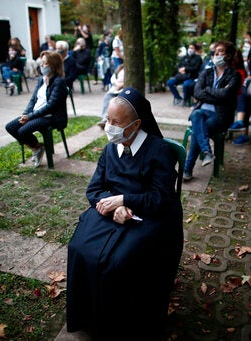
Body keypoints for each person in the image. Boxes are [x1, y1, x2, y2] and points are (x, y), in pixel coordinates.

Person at [66, 87, 183, 340]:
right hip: (111, 211)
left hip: (150, 216)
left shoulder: (159, 151)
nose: (109, 127)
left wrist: (126, 200)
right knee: (78, 247)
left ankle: (120, 325)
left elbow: (162, 198)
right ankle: (87, 315)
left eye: (116, 122)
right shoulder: (110, 149)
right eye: (108, 120)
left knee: (118, 261)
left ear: (136, 124)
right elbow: (94, 190)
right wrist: (116, 206)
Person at [182, 41, 242, 181]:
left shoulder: (234, 76)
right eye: (215, 51)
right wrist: (218, 93)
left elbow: (226, 95)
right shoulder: (207, 72)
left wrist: (208, 90)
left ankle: (187, 169)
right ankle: (206, 152)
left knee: (198, 129)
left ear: (228, 55)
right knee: (196, 115)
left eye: (220, 51)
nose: (216, 54)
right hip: (201, 112)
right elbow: (197, 93)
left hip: (221, 115)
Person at [5, 51, 68, 168]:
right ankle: (37, 148)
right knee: (10, 127)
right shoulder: (41, 79)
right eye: (42, 63)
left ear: (53, 66)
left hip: (51, 117)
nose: (42, 66)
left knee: (22, 131)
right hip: (35, 114)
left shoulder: (59, 82)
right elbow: (33, 99)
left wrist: (30, 117)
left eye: (45, 64)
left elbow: (50, 107)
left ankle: (37, 149)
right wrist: (25, 114)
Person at [166, 42, 203, 107]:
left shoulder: (198, 58)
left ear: (195, 50)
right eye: (189, 47)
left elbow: (196, 68)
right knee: (170, 82)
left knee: (186, 85)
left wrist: (185, 69)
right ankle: (178, 97)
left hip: (191, 77)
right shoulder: (184, 57)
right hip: (181, 76)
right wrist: (180, 70)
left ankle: (185, 100)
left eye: (192, 48)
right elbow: (178, 66)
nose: (190, 49)